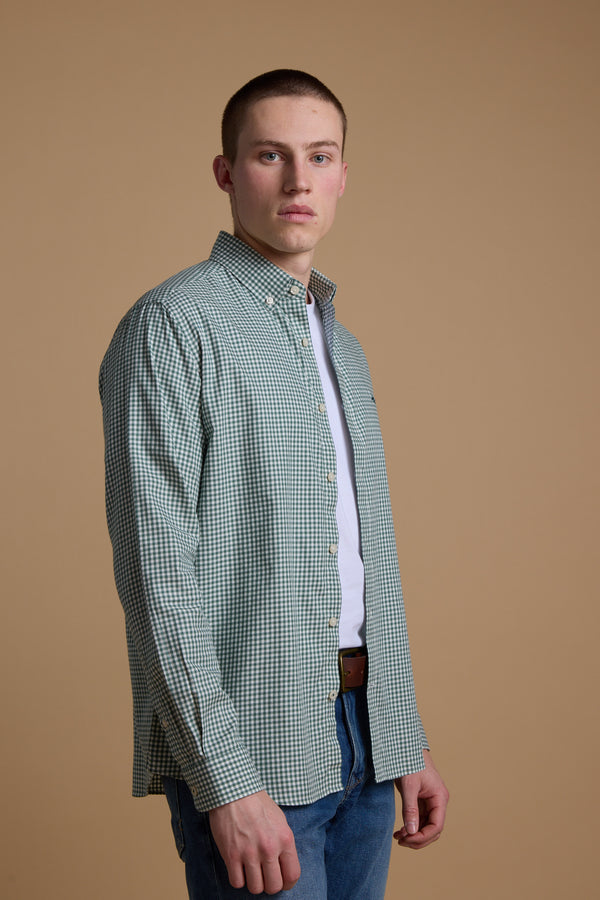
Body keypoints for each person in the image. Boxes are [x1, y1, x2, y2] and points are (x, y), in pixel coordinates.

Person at [100, 69, 449, 899]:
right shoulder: (173, 324)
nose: (299, 181)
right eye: (270, 154)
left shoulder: (343, 344)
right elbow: (158, 576)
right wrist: (224, 780)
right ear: (227, 172)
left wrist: (403, 736)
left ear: (342, 174)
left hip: (365, 743)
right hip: (253, 750)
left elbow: (357, 557)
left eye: (319, 156)